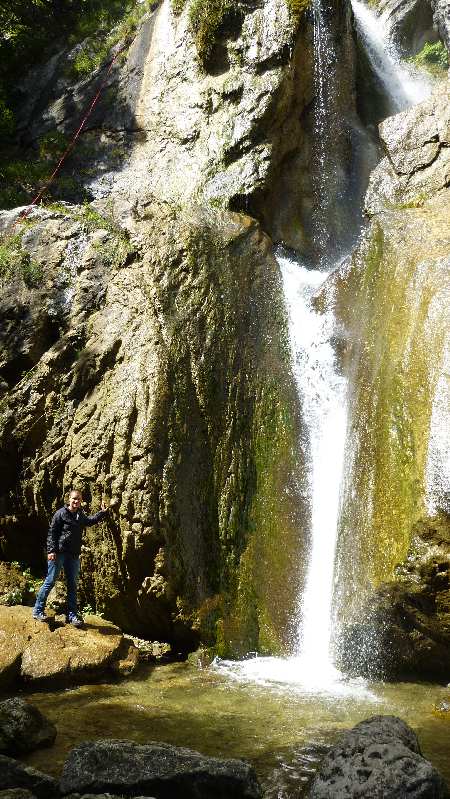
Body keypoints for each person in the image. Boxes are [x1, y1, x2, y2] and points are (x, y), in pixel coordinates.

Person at [32, 489, 108, 626]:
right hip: (59, 553)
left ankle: (72, 615)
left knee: (72, 584)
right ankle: (38, 610)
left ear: (81, 501)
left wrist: (102, 512)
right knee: (50, 581)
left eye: (78, 499)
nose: (76, 501)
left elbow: (90, 521)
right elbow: (52, 533)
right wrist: (51, 551)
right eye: (74, 499)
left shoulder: (80, 515)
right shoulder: (61, 513)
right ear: (69, 499)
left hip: (73, 555)